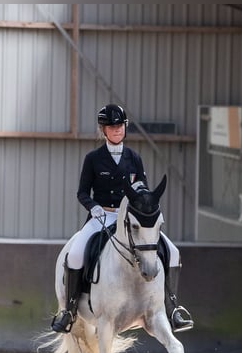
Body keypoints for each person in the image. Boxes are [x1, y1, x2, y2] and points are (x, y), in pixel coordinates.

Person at [51, 103, 194, 334]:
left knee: (173, 252)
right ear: (103, 130)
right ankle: (69, 310)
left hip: (130, 219)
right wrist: (94, 206)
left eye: (120, 126)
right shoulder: (94, 159)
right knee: (76, 254)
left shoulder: (134, 158)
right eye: (112, 126)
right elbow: (82, 192)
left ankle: (173, 307)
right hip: (102, 216)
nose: (117, 130)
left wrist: (150, 207)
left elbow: (143, 190)